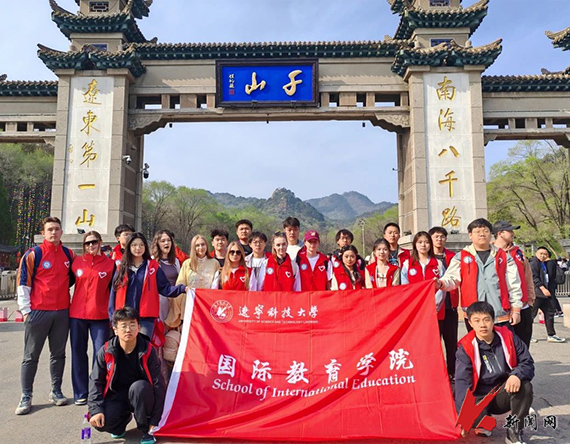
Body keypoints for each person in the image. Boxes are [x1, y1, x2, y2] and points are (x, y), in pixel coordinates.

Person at [15, 216, 75, 415]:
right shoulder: (34, 254)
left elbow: (74, 278)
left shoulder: (69, 254)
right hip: (38, 312)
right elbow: (23, 283)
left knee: (58, 354)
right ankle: (26, 395)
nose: (53, 232)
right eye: (50, 229)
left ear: (61, 232)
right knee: (31, 356)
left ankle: (56, 390)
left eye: (57, 229)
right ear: (43, 233)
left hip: (62, 311)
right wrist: (25, 311)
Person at [455, 301, 534, 443]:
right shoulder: (465, 347)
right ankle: (485, 421)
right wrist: (463, 418)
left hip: (502, 392)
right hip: (479, 398)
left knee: (525, 385)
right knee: (468, 416)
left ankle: (514, 431)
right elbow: (462, 382)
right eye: (477, 321)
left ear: (493, 320)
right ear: (470, 323)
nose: (482, 325)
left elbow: (527, 362)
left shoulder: (508, 337)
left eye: (486, 320)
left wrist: (516, 374)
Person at [89, 307, 165, 444]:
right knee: (102, 422)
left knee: (139, 387)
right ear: (115, 329)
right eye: (123, 326)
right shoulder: (106, 351)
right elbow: (95, 381)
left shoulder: (148, 350)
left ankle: (146, 430)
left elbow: (159, 385)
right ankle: (120, 424)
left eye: (132, 325)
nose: (128, 330)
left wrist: (155, 420)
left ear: (138, 327)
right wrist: (95, 410)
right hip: (117, 395)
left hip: (141, 395)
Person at [436, 218, 523, 330]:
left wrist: (516, 309)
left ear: (491, 234)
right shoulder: (461, 257)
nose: (482, 234)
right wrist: (440, 283)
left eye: (485, 231)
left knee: (503, 340)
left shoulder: (503, 256)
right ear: (470, 235)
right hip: (473, 315)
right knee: (476, 341)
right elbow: (452, 279)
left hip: (499, 313)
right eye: (477, 232)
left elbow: (514, 284)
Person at [109, 232, 187, 339]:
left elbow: (165, 288)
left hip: (145, 318)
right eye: (134, 245)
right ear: (129, 247)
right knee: (126, 347)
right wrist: (112, 317)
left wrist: (183, 288)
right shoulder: (121, 268)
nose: (138, 248)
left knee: (143, 346)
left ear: (145, 247)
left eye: (141, 245)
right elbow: (113, 293)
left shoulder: (152, 267)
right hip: (124, 317)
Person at [70, 231, 115, 406]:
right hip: (77, 315)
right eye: (87, 243)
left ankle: (97, 391)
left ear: (100, 242)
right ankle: (80, 392)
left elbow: (114, 291)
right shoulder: (76, 262)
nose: (91, 246)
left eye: (94, 242)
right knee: (78, 352)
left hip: (100, 315)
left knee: (100, 354)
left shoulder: (110, 264)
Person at [492, 221, 535, 348]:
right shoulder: (489, 252)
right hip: (500, 308)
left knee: (523, 346)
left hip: (522, 305)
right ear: (500, 233)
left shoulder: (518, 253)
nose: (513, 233)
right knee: (504, 347)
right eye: (509, 231)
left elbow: (527, 276)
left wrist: (530, 299)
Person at [165, 235, 220, 329]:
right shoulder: (187, 264)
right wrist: (176, 310)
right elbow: (180, 285)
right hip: (189, 305)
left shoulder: (214, 263)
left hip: (207, 305)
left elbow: (216, 286)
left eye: (203, 244)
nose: (200, 248)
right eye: (197, 245)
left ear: (207, 246)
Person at [429, 226, 459, 380]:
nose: (439, 239)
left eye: (442, 236)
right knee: (434, 342)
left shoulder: (453, 257)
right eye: (436, 236)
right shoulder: (427, 258)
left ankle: (452, 371)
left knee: (451, 341)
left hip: (450, 305)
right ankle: (436, 373)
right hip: (433, 308)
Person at [401, 231, 444, 311]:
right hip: (414, 308)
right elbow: (405, 288)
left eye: (426, 242)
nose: (423, 245)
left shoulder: (438, 264)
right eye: (420, 242)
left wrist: (434, 304)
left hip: (435, 309)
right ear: (415, 244)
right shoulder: (407, 265)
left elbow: (443, 286)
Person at [530, 247, 566, 343]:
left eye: (545, 254)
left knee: (549, 312)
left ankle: (551, 335)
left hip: (545, 294)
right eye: (541, 253)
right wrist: (543, 288)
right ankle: (527, 335)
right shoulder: (534, 263)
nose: (543, 255)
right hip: (537, 293)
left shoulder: (543, 264)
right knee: (531, 315)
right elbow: (534, 277)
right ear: (536, 253)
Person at [150, 230, 181, 321]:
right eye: (163, 241)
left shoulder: (176, 261)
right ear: (157, 243)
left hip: (174, 300)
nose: (166, 243)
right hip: (159, 301)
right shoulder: (152, 261)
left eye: (168, 240)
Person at [545, 250, 563, 317]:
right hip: (552, 282)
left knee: (551, 297)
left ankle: (556, 310)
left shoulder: (549, 263)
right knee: (552, 296)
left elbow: (550, 274)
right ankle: (557, 310)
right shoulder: (552, 262)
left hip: (550, 282)